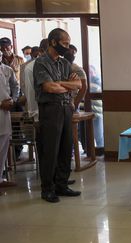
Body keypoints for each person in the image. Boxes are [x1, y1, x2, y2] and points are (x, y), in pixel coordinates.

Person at [33, 28, 82, 203]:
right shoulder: (41, 62)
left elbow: (78, 84)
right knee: (51, 150)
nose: (68, 47)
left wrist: (61, 83)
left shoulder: (64, 63)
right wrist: (65, 85)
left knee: (66, 148)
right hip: (50, 110)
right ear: (53, 42)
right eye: (65, 44)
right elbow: (49, 87)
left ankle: (62, 185)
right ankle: (48, 189)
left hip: (66, 108)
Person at [0, 50, 19, 188]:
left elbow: (15, 85)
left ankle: (0, 179)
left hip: (5, 114)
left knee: (3, 148)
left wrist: (14, 100)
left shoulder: (7, 69)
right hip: (1, 107)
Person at [63, 44, 87, 110]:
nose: (71, 54)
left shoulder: (76, 69)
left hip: (71, 101)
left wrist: (75, 104)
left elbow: (84, 87)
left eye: (73, 53)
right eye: (69, 52)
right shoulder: (60, 66)